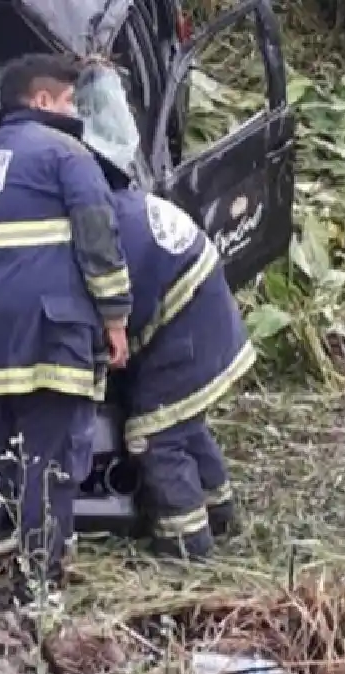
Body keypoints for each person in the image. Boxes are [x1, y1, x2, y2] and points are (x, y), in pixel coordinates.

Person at [0, 53, 135, 608]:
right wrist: (115, 318)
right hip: (49, 332)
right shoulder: (67, 153)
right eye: (71, 101)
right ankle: (38, 587)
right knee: (53, 460)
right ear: (43, 102)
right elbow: (100, 239)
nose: (77, 112)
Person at [76, 66, 256, 558]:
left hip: (189, 326)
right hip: (204, 315)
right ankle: (220, 512)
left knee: (155, 436)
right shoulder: (122, 201)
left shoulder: (94, 222)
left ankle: (186, 548)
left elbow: (102, 303)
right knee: (183, 422)